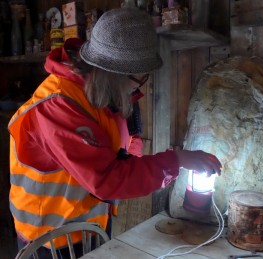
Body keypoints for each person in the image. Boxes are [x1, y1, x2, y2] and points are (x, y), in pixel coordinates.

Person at [8, 7, 222, 258]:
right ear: (115, 74)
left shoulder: (104, 95)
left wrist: (134, 167)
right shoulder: (58, 106)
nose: (142, 83)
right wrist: (177, 161)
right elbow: (107, 180)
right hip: (48, 238)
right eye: (140, 78)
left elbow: (126, 147)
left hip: (89, 224)